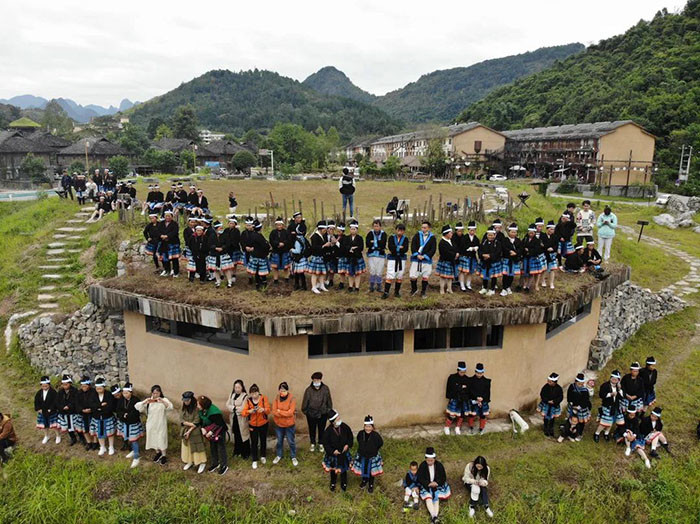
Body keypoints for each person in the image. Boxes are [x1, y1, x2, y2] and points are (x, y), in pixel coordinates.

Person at [136, 385, 173, 464]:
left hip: (161, 423)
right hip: (151, 423)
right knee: (153, 438)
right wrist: (145, 402)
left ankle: (163, 455)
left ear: (160, 392)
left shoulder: (164, 400)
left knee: (161, 438)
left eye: (157, 393)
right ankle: (158, 452)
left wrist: (162, 401)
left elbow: (170, 407)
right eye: (154, 393)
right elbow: (138, 407)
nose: (155, 395)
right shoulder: (149, 401)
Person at [321, 409, 353, 492]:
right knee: (333, 470)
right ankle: (333, 482)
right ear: (333, 422)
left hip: (343, 453)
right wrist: (332, 451)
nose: (339, 419)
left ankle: (344, 482)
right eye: (337, 418)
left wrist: (347, 445)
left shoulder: (345, 427)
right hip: (333, 455)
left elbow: (350, 436)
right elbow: (326, 444)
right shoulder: (328, 431)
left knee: (344, 469)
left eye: (339, 417)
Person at [417, 447, 451, 524]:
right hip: (427, 485)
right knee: (428, 498)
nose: (430, 462)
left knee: (436, 499)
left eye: (431, 460)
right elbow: (420, 477)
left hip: (437, 485)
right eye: (428, 460)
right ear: (425, 459)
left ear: (434, 459)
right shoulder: (422, 465)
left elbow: (443, 477)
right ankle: (434, 517)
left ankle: (434, 517)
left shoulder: (439, 465)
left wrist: (437, 483)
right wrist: (428, 483)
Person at [302, 372, 333, 453]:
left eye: (318, 379)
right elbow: (305, 402)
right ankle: (312, 443)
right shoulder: (308, 390)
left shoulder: (325, 389)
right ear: (312, 380)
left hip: (323, 413)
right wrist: (307, 412)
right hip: (311, 414)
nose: (316, 381)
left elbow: (329, 401)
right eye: (315, 380)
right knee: (312, 429)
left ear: (321, 379)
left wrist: (328, 410)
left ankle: (320, 443)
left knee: (321, 429)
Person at [197, 395, 229, 474]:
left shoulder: (214, 412)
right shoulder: (202, 410)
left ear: (203, 405)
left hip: (219, 431)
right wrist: (202, 428)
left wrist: (211, 431)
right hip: (209, 431)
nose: (197, 406)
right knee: (212, 446)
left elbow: (220, 423)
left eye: (198, 404)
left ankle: (224, 465)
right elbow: (201, 421)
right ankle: (215, 463)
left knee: (221, 448)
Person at [242, 384, 271, 469]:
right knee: (254, 442)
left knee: (263, 440)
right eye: (252, 394)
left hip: (263, 424)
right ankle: (254, 459)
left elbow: (269, 410)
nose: (254, 395)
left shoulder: (264, 398)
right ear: (250, 394)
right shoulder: (248, 400)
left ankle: (263, 456)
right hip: (253, 425)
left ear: (258, 392)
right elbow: (243, 413)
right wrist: (249, 411)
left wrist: (263, 410)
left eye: (255, 393)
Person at [352, 415, 384, 492]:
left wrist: (374, 450)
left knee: (371, 471)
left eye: (369, 426)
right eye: (366, 426)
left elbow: (380, 443)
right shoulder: (361, 433)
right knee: (363, 469)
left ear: (372, 427)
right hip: (362, 456)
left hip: (371, 457)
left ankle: (371, 484)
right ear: (364, 426)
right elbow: (359, 440)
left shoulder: (375, 435)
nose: (367, 428)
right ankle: (364, 480)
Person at [116, 382, 144, 468]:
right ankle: (133, 451)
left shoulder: (136, 400)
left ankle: (136, 457)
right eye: (123, 393)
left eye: (126, 393)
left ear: (131, 392)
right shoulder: (121, 400)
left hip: (133, 423)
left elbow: (136, 412)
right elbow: (118, 410)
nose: (124, 395)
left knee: (134, 440)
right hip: (124, 422)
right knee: (128, 437)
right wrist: (123, 415)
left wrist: (127, 415)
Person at [180, 391, 208, 474]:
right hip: (185, 430)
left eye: (187, 400)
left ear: (191, 400)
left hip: (195, 431)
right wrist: (188, 425)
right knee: (187, 447)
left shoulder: (196, 408)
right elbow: (181, 419)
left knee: (197, 448)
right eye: (184, 401)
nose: (185, 402)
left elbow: (196, 422)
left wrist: (189, 429)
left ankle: (202, 463)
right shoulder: (183, 408)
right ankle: (190, 461)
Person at [594, 370, 624, 443]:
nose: (614, 380)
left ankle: (606, 433)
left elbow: (622, 397)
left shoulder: (618, 387)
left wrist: (620, 389)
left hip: (615, 407)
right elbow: (601, 395)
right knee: (604, 422)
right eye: (613, 378)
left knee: (612, 421)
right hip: (607, 406)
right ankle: (596, 433)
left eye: (616, 379)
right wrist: (610, 394)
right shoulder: (605, 385)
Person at [89, 376, 117, 456]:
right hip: (97, 417)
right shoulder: (93, 394)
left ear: (104, 387)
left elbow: (110, 406)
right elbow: (92, 405)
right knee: (99, 433)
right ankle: (102, 447)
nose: (98, 389)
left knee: (110, 433)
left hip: (107, 416)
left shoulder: (108, 394)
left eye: (100, 387)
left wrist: (99, 408)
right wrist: (101, 405)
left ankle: (111, 447)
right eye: (97, 387)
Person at [273, 382, 298, 466]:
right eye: (280, 390)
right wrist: (284, 413)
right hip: (279, 424)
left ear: (287, 390)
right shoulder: (276, 398)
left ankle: (293, 456)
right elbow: (274, 411)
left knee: (291, 441)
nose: (282, 391)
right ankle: (279, 455)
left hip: (289, 425)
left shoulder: (292, 399)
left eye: (284, 390)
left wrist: (280, 411)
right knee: (279, 441)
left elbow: (291, 412)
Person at [409, 221, 436, 298]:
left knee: (425, 276)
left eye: (425, 227)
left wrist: (425, 256)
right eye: (422, 227)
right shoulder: (417, 235)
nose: (423, 229)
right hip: (417, 259)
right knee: (413, 276)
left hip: (426, 260)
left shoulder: (432, 237)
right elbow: (413, 245)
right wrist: (417, 255)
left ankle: (423, 291)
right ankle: (414, 289)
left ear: (429, 228)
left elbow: (433, 249)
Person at [226, 379, 251, 460]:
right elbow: (227, 405)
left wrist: (233, 408)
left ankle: (245, 453)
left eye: (238, 387)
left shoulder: (245, 396)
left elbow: (243, 408)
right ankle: (237, 451)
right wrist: (235, 408)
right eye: (235, 387)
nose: (237, 389)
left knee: (243, 435)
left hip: (242, 419)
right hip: (234, 418)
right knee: (236, 434)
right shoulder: (231, 395)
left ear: (242, 387)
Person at [383, 223, 409, 299]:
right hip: (392, 258)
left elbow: (405, 249)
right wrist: (399, 248)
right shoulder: (391, 238)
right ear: (396, 230)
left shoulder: (405, 239)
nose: (400, 232)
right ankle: (386, 292)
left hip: (401, 259)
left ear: (404, 231)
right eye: (398, 230)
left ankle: (397, 292)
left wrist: (397, 248)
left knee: (399, 275)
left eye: (402, 231)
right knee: (390, 274)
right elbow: (391, 247)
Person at [444, 361, 470, 436]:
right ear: (458, 370)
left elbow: (467, 389)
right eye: (461, 372)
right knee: (452, 414)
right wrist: (460, 387)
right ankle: (447, 427)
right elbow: (451, 388)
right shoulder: (452, 378)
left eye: (464, 372)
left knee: (461, 415)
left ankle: (458, 427)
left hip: (463, 399)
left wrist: (459, 387)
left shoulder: (467, 379)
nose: (463, 373)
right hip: (455, 398)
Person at [207, 221, 235, 288]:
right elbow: (209, 244)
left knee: (226, 269)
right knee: (216, 269)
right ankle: (218, 281)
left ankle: (229, 282)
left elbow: (228, 244)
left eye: (222, 228)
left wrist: (222, 248)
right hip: (215, 254)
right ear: (216, 229)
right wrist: (215, 248)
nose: (221, 229)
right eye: (220, 228)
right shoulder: (212, 236)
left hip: (223, 254)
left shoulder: (225, 235)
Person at [55, 374, 80, 446]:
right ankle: (73, 438)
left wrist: (69, 406)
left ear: (70, 383)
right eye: (63, 384)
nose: (65, 385)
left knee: (76, 426)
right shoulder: (60, 392)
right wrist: (62, 407)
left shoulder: (75, 391)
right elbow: (57, 401)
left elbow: (76, 401)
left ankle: (82, 438)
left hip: (73, 412)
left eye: (66, 384)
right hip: (64, 412)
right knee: (69, 427)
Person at [34, 376, 59, 445]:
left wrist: (51, 409)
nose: (44, 387)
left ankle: (57, 436)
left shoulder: (53, 392)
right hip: (43, 412)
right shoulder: (39, 393)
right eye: (43, 386)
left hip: (51, 411)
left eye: (46, 386)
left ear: (49, 385)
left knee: (54, 425)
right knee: (44, 425)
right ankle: (46, 435)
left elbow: (55, 401)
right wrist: (38, 409)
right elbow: (36, 401)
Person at [247, 220, 271, 290]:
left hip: (254, 255)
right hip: (260, 255)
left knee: (256, 271)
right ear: (260, 228)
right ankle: (263, 283)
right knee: (261, 271)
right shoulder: (259, 236)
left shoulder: (252, 235)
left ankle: (257, 284)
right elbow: (265, 246)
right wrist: (268, 247)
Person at [467, 363, 491, 435]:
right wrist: (476, 397)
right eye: (478, 373)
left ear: (483, 372)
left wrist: (482, 398)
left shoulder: (487, 381)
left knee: (482, 415)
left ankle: (481, 428)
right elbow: (470, 391)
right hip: (474, 400)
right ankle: (471, 427)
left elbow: (487, 392)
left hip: (483, 400)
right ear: (475, 372)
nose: (479, 374)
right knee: (472, 414)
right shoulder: (471, 380)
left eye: (481, 373)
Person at [537, 372, 563, 437]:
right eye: (548, 381)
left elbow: (560, 397)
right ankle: (545, 429)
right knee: (546, 417)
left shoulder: (559, 389)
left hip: (554, 405)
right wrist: (547, 401)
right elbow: (542, 394)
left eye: (550, 382)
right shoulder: (545, 387)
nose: (548, 382)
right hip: (546, 404)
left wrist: (554, 401)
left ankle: (551, 429)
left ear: (554, 382)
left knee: (552, 418)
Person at [76, 375, 98, 450]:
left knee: (94, 429)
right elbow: (77, 403)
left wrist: (91, 409)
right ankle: (89, 442)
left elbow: (96, 402)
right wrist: (82, 409)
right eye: (82, 386)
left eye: (85, 386)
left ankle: (95, 442)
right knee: (84, 429)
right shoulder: (79, 393)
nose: (83, 387)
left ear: (88, 385)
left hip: (92, 413)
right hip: (83, 413)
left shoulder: (94, 392)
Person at [566, 373, 591, 439]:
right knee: (571, 419)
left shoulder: (585, 391)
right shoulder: (572, 387)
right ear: (575, 382)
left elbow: (585, 401)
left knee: (580, 421)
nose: (580, 385)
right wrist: (571, 403)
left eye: (581, 384)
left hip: (581, 408)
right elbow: (569, 395)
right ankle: (568, 431)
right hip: (572, 406)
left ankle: (579, 433)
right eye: (579, 384)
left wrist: (579, 407)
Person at [501, 223, 523, 296]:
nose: (513, 234)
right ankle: (504, 288)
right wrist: (509, 251)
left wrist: (516, 253)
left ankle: (508, 287)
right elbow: (503, 248)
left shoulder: (518, 240)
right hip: (507, 259)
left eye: (515, 232)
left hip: (514, 259)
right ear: (509, 232)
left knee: (511, 274)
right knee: (505, 274)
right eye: (512, 232)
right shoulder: (505, 240)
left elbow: (521, 249)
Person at [307, 221, 330, 293]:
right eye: (324, 230)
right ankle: (313, 286)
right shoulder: (314, 236)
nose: (325, 231)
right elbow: (314, 247)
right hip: (316, 256)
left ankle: (321, 285)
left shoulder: (323, 235)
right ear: (320, 229)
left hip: (322, 256)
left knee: (322, 272)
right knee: (315, 273)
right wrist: (324, 246)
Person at [435, 225, 458, 295]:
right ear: (446, 233)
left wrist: (456, 254)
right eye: (450, 233)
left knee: (450, 277)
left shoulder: (451, 241)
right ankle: (441, 289)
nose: (452, 234)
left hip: (451, 261)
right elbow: (445, 252)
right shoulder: (442, 242)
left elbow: (455, 248)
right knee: (443, 277)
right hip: (445, 261)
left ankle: (449, 289)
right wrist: (454, 255)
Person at [478, 228, 501, 296]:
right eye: (489, 235)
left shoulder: (497, 243)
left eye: (491, 235)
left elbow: (498, 252)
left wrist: (490, 256)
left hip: (493, 262)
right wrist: (482, 255)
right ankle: (484, 287)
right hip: (485, 261)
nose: (490, 237)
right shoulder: (484, 242)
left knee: (493, 276)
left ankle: (492, 289)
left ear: (494, 235)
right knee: (485, 275)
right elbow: (480, 250)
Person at [365, 220, 387, 293]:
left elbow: (383, 244)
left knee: (379, 271)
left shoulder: (384, 234)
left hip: (380, 255)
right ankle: (371, 286)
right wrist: (377, 242)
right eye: (374, 226)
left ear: (380, 226)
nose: (376, 227)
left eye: (377, 226)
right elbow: (367, 243)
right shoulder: (370, 233)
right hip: (372, 255)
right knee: (372, 270)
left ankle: (379, 286)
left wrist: (374, 242)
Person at [158, 210, 181, 278]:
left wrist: (167, 236)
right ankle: (167, 270)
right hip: (163, 243)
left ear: (172, 217)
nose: (167, 217)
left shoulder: (175, 224)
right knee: (164, 258)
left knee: (174, 258)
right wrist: (161, 236)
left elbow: (175, 232)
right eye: (166, 216)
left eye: (169, 216)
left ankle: (176, 272)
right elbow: (158, 231)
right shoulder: (161, 223)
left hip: (173, 242)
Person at [458, 221, 480, 292]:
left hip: (472, 257)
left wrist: (476, 248)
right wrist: (468, 248)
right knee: (462, 271)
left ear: (475, 230)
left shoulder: (476, 238)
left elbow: (478, 246)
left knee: (470, 271)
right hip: (465, 256)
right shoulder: (464, 237)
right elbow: (462, 247)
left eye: (473, 230)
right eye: (471, 230)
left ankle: (468, 284)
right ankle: (462, 285)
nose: (472, 232)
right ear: (468, 230)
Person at [269, 217, 292, 284]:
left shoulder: (286, 232)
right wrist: (277, 244)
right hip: (276, 251)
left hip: (285, 251)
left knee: (286, 267)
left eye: (280, 225)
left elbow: (289, 240)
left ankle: (286, 278)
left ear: (283, 225)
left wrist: (283, 243)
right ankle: (275, 279)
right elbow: (271, 240)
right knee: (275, 267)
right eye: (278, 225)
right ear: (276, 225)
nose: (279, 226)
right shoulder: (273, 232)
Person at [290, 223, 310, 290]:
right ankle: (303, 286)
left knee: (297, 273)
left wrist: (292, 250)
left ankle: (297, 285)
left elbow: (297, 251)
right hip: (303, 258)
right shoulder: (303, 238)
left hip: (299, 258)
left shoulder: (297, 241)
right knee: (301, 274)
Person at [541, 221, 558, 289]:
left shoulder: (555, 237)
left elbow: (556, 245)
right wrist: (547, 248)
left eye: (553, 229)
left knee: (552, 270)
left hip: (552, 254)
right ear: (547, 229)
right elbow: (542, 245)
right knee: (544, 269)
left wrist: (552, 248)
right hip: (545, 254)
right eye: (550, 229)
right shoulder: (542, 236)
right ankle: (543, 281)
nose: (552, 231)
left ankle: (551, 283)